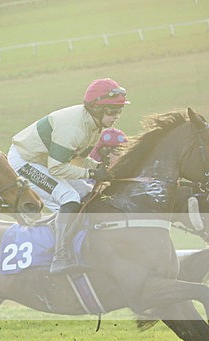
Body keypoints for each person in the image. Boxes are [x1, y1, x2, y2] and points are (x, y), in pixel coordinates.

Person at [8, 78, 129, 273]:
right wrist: (90, 172)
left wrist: (98, 167)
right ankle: (59, 256)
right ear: (97, 109)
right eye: (112, 111)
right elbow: (57, 168)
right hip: (25, 161)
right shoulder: (74, 129)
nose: (116, 116)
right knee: (69, 199)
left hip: (48, 161)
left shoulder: (94, 126)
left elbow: (77, 159)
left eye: (119, 111)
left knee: (88, 193)